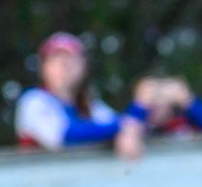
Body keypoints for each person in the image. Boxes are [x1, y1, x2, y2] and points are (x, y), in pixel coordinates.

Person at [15, 32, 148, 160]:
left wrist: (137, 117)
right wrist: (128, 124)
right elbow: (64, 136)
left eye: (70, 58)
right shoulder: (33, 101)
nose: (63, 65)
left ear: (83, 66)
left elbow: (113, 122)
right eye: (55, 58)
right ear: (44, 67)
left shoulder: (88, 104)